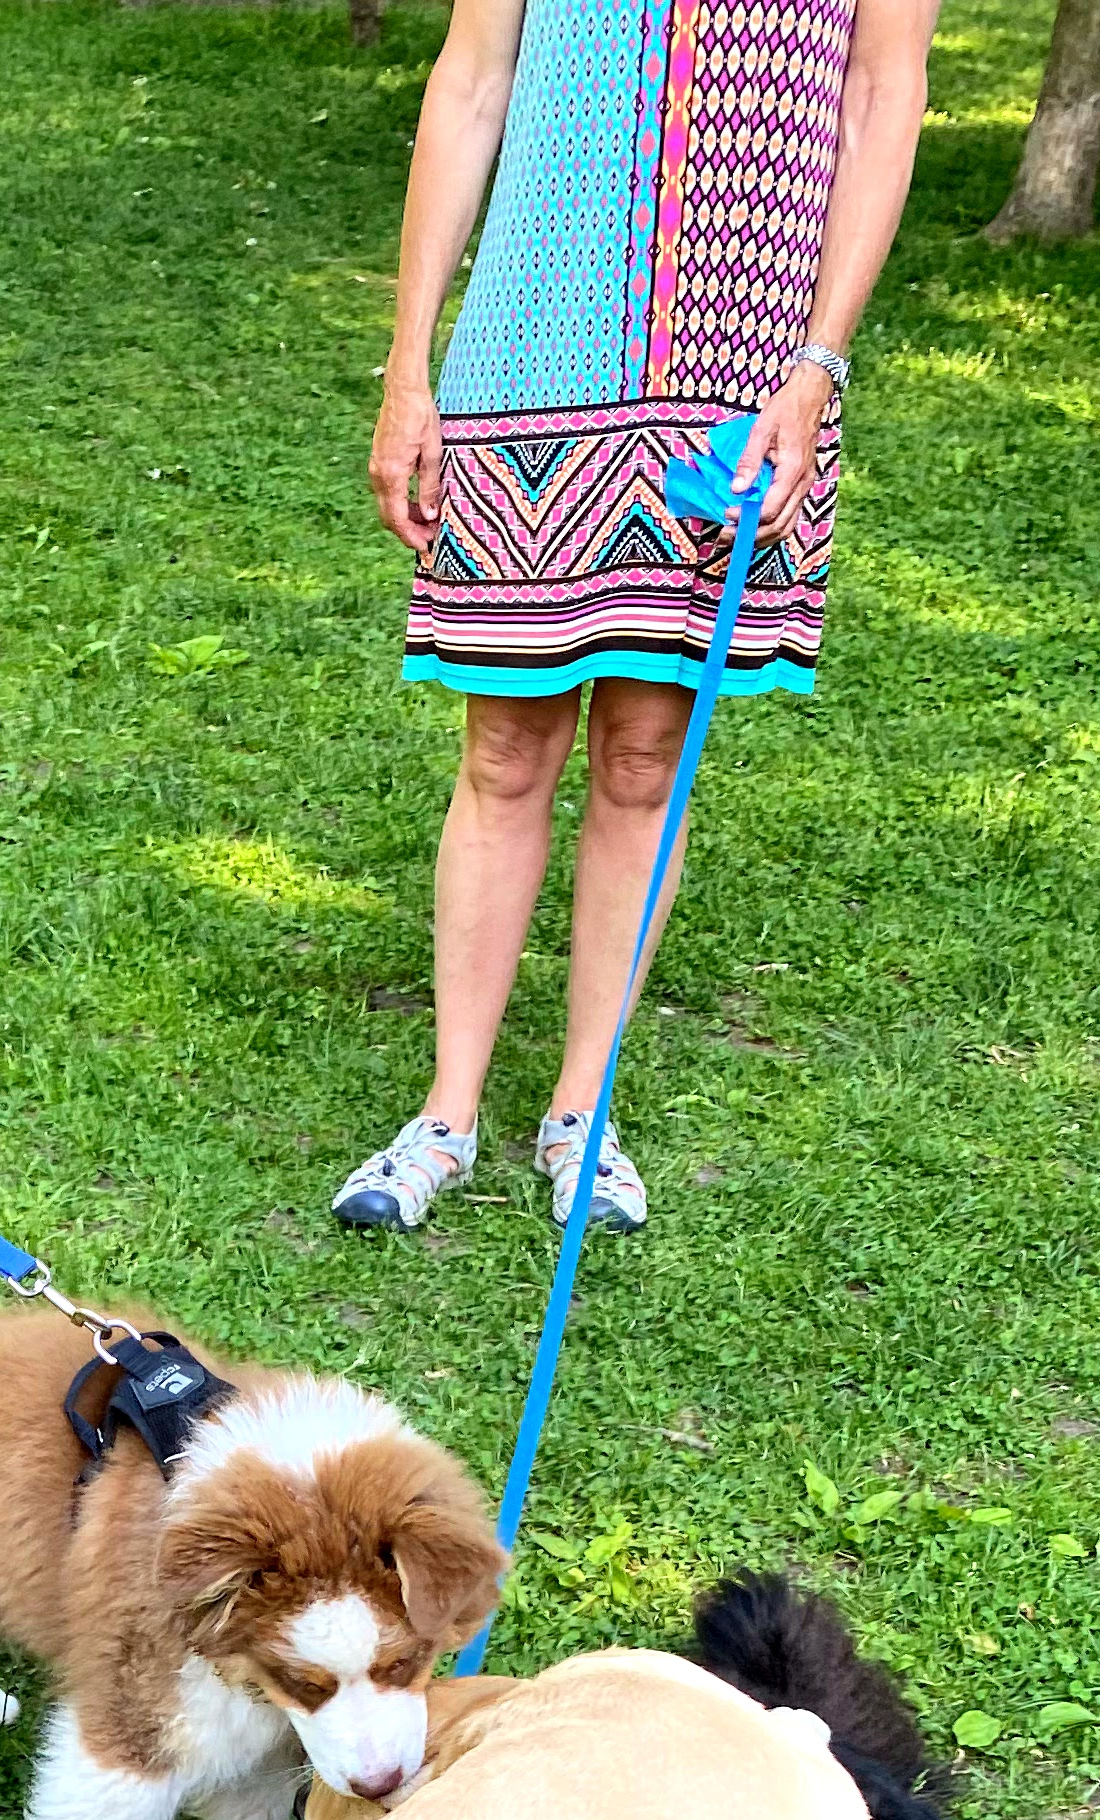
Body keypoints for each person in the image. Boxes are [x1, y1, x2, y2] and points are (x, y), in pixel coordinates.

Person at [332, 0, 936, 1240]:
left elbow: (884, 97)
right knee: (504, 751)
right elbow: (472, 82)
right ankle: (446, 1114)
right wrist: (408, 369)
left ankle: (579, 1114)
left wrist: (819, 369)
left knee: (645, 756)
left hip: (744, 367)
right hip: (530, 346)